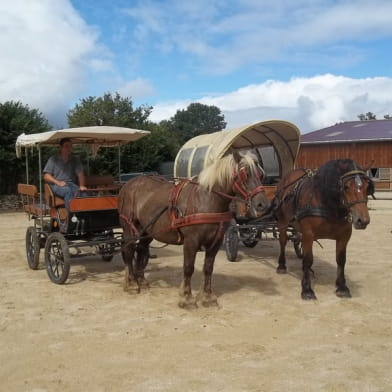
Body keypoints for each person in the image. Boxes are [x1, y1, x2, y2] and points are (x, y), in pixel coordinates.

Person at [43, 137, 87, 210]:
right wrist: (57, 182)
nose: (69, 148)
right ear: (61, 147)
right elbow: (46, 176)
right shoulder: (53, 159)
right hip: (56, 185)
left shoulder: (75, 160)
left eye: (70, 146)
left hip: (71, 184)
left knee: (84, 194)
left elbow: (80, 174)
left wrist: (82, 185)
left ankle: (85, 216)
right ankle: (71, 217)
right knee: (67, 191)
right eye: (66, 146)